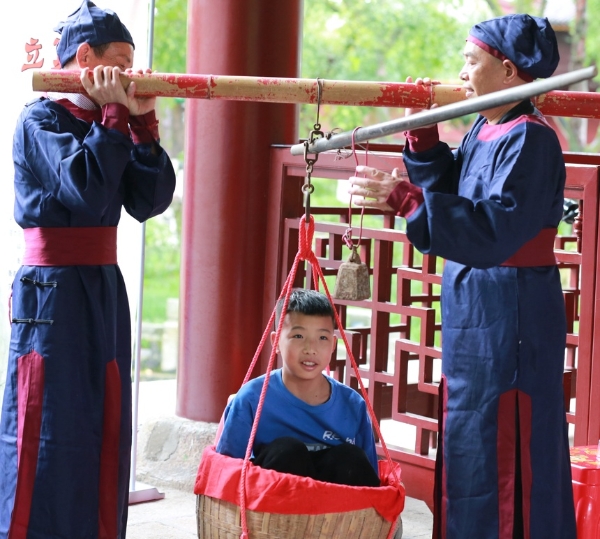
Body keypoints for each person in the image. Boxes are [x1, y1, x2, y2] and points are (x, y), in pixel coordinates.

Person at [347, 14, 576, 539]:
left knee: (505, 444)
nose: (462, 71)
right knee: (469, 435)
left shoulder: (531, 138)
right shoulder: (483, 124)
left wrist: (403, 195)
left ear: (510, 71)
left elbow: (492, 230)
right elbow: (454, 190)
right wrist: (425, 141)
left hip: (511, 311)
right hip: (476, 306)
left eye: (471, 61)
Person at [0, 1, 176, 538]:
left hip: (103, 288)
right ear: (86, 57)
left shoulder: (111, 123)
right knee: (44, 421)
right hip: (50, 293)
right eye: (120, 61)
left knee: (104, 415)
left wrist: (143, 125)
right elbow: (85, 188)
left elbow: (149, 202)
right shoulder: (40, 117)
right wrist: (118, 119)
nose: (128, 73)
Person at [216, 288, 380, 487]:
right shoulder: (252, 399)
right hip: (274, 505)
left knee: (350, 457)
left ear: (333, 345)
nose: (310, 348)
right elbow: (227, 471)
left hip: (334, 510)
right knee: (288, 451)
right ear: (275, 342)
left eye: (322, 338)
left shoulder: (352, 405)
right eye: (298, 336)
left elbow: (371, 479)